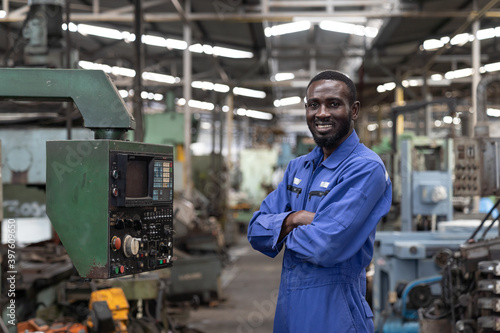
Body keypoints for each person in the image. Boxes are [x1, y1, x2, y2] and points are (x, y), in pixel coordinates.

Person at [247, 70, 392, 332]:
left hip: (336, 315)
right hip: (289, 313)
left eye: (333, 104)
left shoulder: (365, 168)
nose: (322, 113)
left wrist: (279, 229)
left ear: (354, 110)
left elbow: (325, 246)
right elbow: (256, 231)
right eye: (314, 104)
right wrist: (296, 218)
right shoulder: (297, 167)